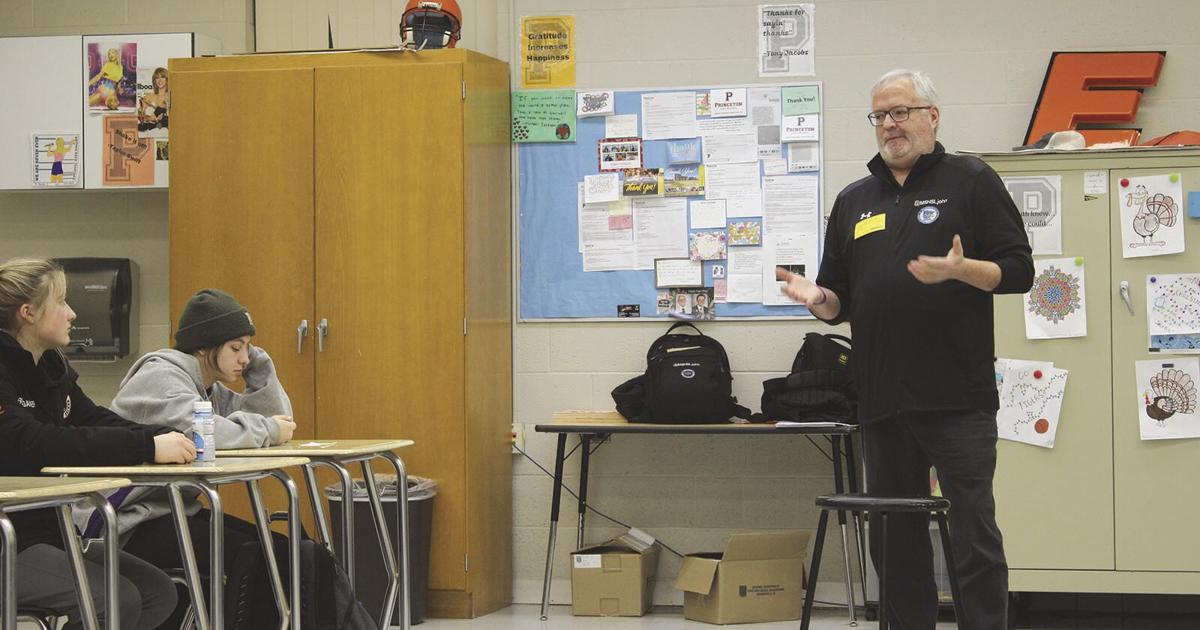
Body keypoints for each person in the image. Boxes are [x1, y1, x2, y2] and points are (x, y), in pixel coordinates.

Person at [776, 69, 1033, 630]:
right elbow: (837, 300)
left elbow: (1020, 271)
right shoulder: (853, 201)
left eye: (901, 111)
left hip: (958, 398)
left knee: (973, 535)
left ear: (931, 117)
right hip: (883, 401)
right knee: (893, 542)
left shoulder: (970, 179)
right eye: (880, 116)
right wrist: (815, 297)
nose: (890, 125)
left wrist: (967, 270)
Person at [75, 288, 296, 628]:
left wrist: (261, 370)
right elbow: (217, 433)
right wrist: (267, 429)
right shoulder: (159, 378)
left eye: (248, 348)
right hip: (125, 521)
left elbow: (278, 423)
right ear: (206, 347)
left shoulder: (207, 388)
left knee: (279, 547)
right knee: (254, 557)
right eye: (236, 348)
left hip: (171, 510)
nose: (244, 358)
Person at [0, 257, 195, 630]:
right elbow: (35, 442)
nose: (72, 314)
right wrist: (145, 448)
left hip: (47, 529)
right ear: (28, 313)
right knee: (113, 600)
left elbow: (92, 419)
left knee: (157, 591)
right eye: (61, 302)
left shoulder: (51, 367)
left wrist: (158, 437)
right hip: (9, 535)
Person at [137, 68, 169, 132]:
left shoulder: (170, 96)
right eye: (157, 78)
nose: (160, 80)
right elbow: (140, 116)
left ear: (167, 79)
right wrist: (149, 118)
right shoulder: (148, 97)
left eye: (162, 77)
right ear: (154, 80)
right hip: (150, 128)